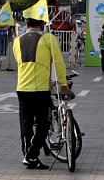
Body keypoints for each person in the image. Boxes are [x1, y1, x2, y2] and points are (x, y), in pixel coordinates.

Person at [13, 16, 69, 170]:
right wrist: (63, 84)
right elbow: (58, 62)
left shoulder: (18, 40)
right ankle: (31, 154)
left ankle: (29, 156)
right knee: (43, 125)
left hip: (22, 87)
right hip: (40, 89)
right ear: (42, 24)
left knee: (26, 124)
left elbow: (19, 61)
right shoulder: (48, 38)